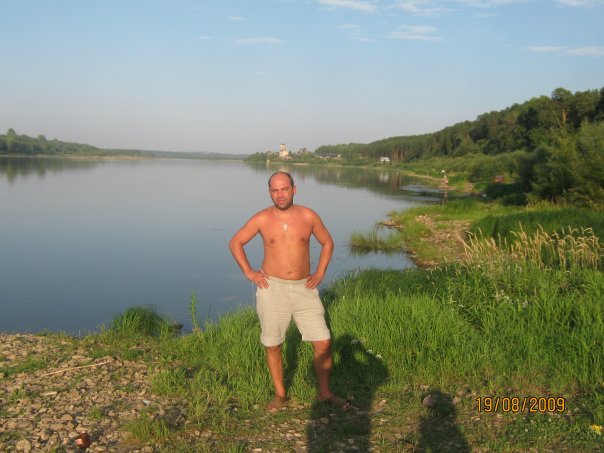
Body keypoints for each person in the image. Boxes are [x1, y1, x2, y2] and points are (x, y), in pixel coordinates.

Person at [229, 171, 351, 412]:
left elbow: (327, 242)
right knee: (273, 344)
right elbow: (236, 242)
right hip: (271, 288)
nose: (280, 194)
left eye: (284, 189)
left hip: (304, 288)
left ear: (294, 190)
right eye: (275, 190)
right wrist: (249, 272)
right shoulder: (262, 218)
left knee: (323, 342)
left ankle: (325, 393)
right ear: (269, 193)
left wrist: (320, 272)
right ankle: (280, 395)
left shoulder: (308, 216)